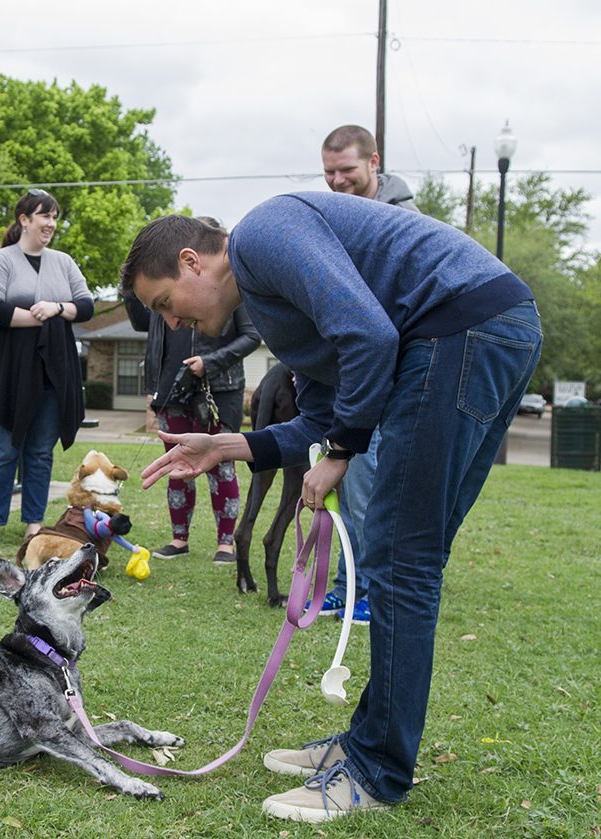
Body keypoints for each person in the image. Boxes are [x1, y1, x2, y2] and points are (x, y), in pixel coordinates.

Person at [120, 198, 541, 821]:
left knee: (401, 561)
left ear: (192, 261)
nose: (173, 322)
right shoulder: (270, 303)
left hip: (462, 329)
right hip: (485, 330)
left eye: (164, 303)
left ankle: (377, 772)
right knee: (407, 560)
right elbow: (319, 413)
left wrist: (341, 450)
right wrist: (227, 445)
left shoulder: (261, 237)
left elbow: (370, 335)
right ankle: (368, 743)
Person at [316, 125, 422, 625]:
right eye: (329, 172)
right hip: (354, 381)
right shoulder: (337, 222)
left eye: (348, 171)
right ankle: (346, 585)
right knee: (352, 491)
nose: (338, 181)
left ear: (374, 163)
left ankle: (374, 591)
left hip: (395, 381)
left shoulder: (404, 222)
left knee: (372, 493)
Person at [125, 217, 260, 565]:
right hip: (171, 389)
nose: (173, 317)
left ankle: (225, 543)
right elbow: (141, 321)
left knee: (221, 465)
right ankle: (179, 538)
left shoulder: (231, 288)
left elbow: (251, 336)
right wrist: (130, 279)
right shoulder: (165, 298)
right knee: (177, 465)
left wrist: (211, 361)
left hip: (217, 392)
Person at [0, 189, 94, 546]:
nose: (51, 223)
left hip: (54, 369)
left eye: (54, 216)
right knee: (4, 449)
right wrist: (41, 318)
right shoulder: (0, 260)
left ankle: (34, 523)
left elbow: (85, 306)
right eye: (44, 216)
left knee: (40, 450)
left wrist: (55, 308)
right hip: (9, 369)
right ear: (24, 220)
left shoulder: (64, 262)